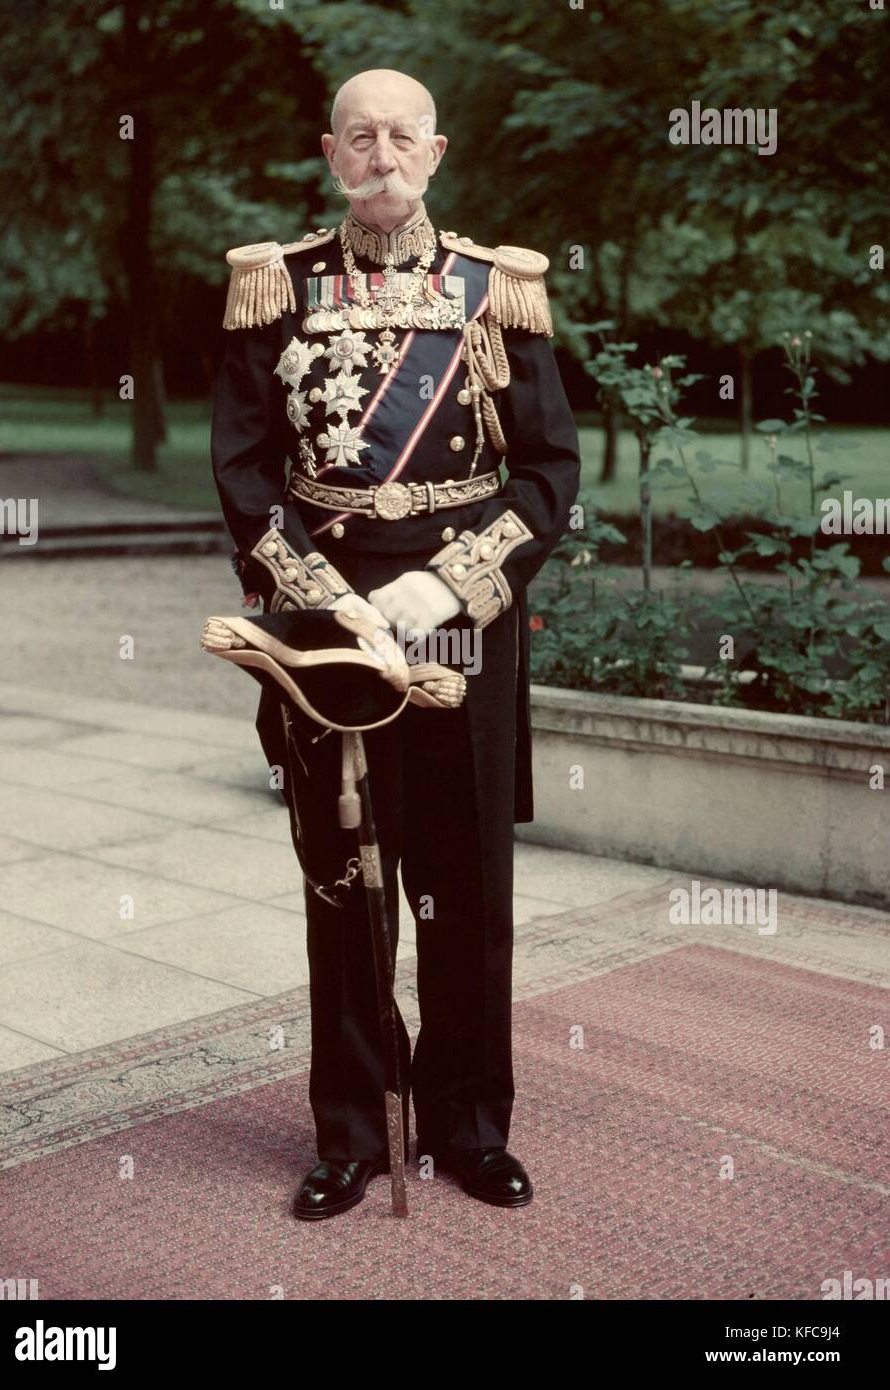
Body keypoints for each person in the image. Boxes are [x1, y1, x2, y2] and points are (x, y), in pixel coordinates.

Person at [210, 67, 580, 1220]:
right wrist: (330, 605)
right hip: (324, 632)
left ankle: (471, 1127)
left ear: (436, 150)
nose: (381, 154)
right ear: (331, 154)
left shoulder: (493, 290)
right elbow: (241, 474)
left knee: (464, 885)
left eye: (401, 136)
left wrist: (440, 592)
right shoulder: (274, 289)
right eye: (359, 137)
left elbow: (545, 473)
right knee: (345, 881)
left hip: (458, 623)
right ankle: (353, 1130)